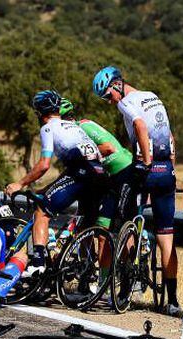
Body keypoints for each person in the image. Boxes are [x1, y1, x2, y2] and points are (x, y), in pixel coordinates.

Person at [93, 66, 180, 315]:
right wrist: (170, 166)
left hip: (146, 168)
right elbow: (170, 136)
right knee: (166, 236)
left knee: (125, 222)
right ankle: (172, 302)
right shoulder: (153, 96)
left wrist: (146, 162)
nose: (110, 102)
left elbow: (141, 127)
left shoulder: (127, 102)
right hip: (167, 171)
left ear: (117, 85)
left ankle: (123, 291)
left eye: (108, 96)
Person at [5, 90, 105, 277]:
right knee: (85, 226)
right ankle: (86, 274)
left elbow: (44, 165)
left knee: (42, 211)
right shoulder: (73, 126)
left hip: (81, 174)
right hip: (99, 175)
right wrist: (48, 188)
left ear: (40, 113)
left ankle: (38, 265)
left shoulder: (48, 128)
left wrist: (20, 183)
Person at [60, 97, 135, 291]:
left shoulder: (83, 126)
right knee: (87, 227)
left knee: (106, 231)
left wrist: (82, 154)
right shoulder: (69, 138)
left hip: (122, 173)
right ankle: (86, 279)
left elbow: (108, 148)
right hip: (101, 180)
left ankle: (114, 280)